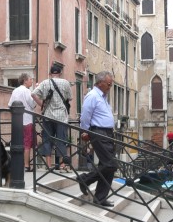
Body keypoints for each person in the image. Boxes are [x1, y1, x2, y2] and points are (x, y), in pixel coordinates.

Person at [79, 71, 117, 207]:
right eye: (108, 84)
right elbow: (85, 115)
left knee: (107, 166)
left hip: (107, 133)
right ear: (100, 83)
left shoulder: (103, 96)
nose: (110, 86)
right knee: (111, 164)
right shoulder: (92, 96)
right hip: (99, 133)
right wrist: (85, 131)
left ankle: (100, 197)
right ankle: (85, 179)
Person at [31, 65, 72, 171]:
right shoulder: (66, 83)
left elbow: (33, 94)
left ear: (50, 73)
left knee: (47, 139)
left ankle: (48, 165)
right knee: (61, 139)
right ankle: (62, 164)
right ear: (60, 73)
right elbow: (69, 98)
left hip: (48, 116)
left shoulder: (45, 83)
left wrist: (42, 105)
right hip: (61, 117)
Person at [8, 73, 36, 172]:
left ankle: (18, 164)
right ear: (25, 81)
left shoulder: (14, 91)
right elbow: (32, 105)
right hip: (27, 120)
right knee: (27, 144)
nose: (31, 81)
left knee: (18, 143)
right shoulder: (27, 91)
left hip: (17, 121)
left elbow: (10, 105)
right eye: (30, 79)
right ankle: (26, 166)